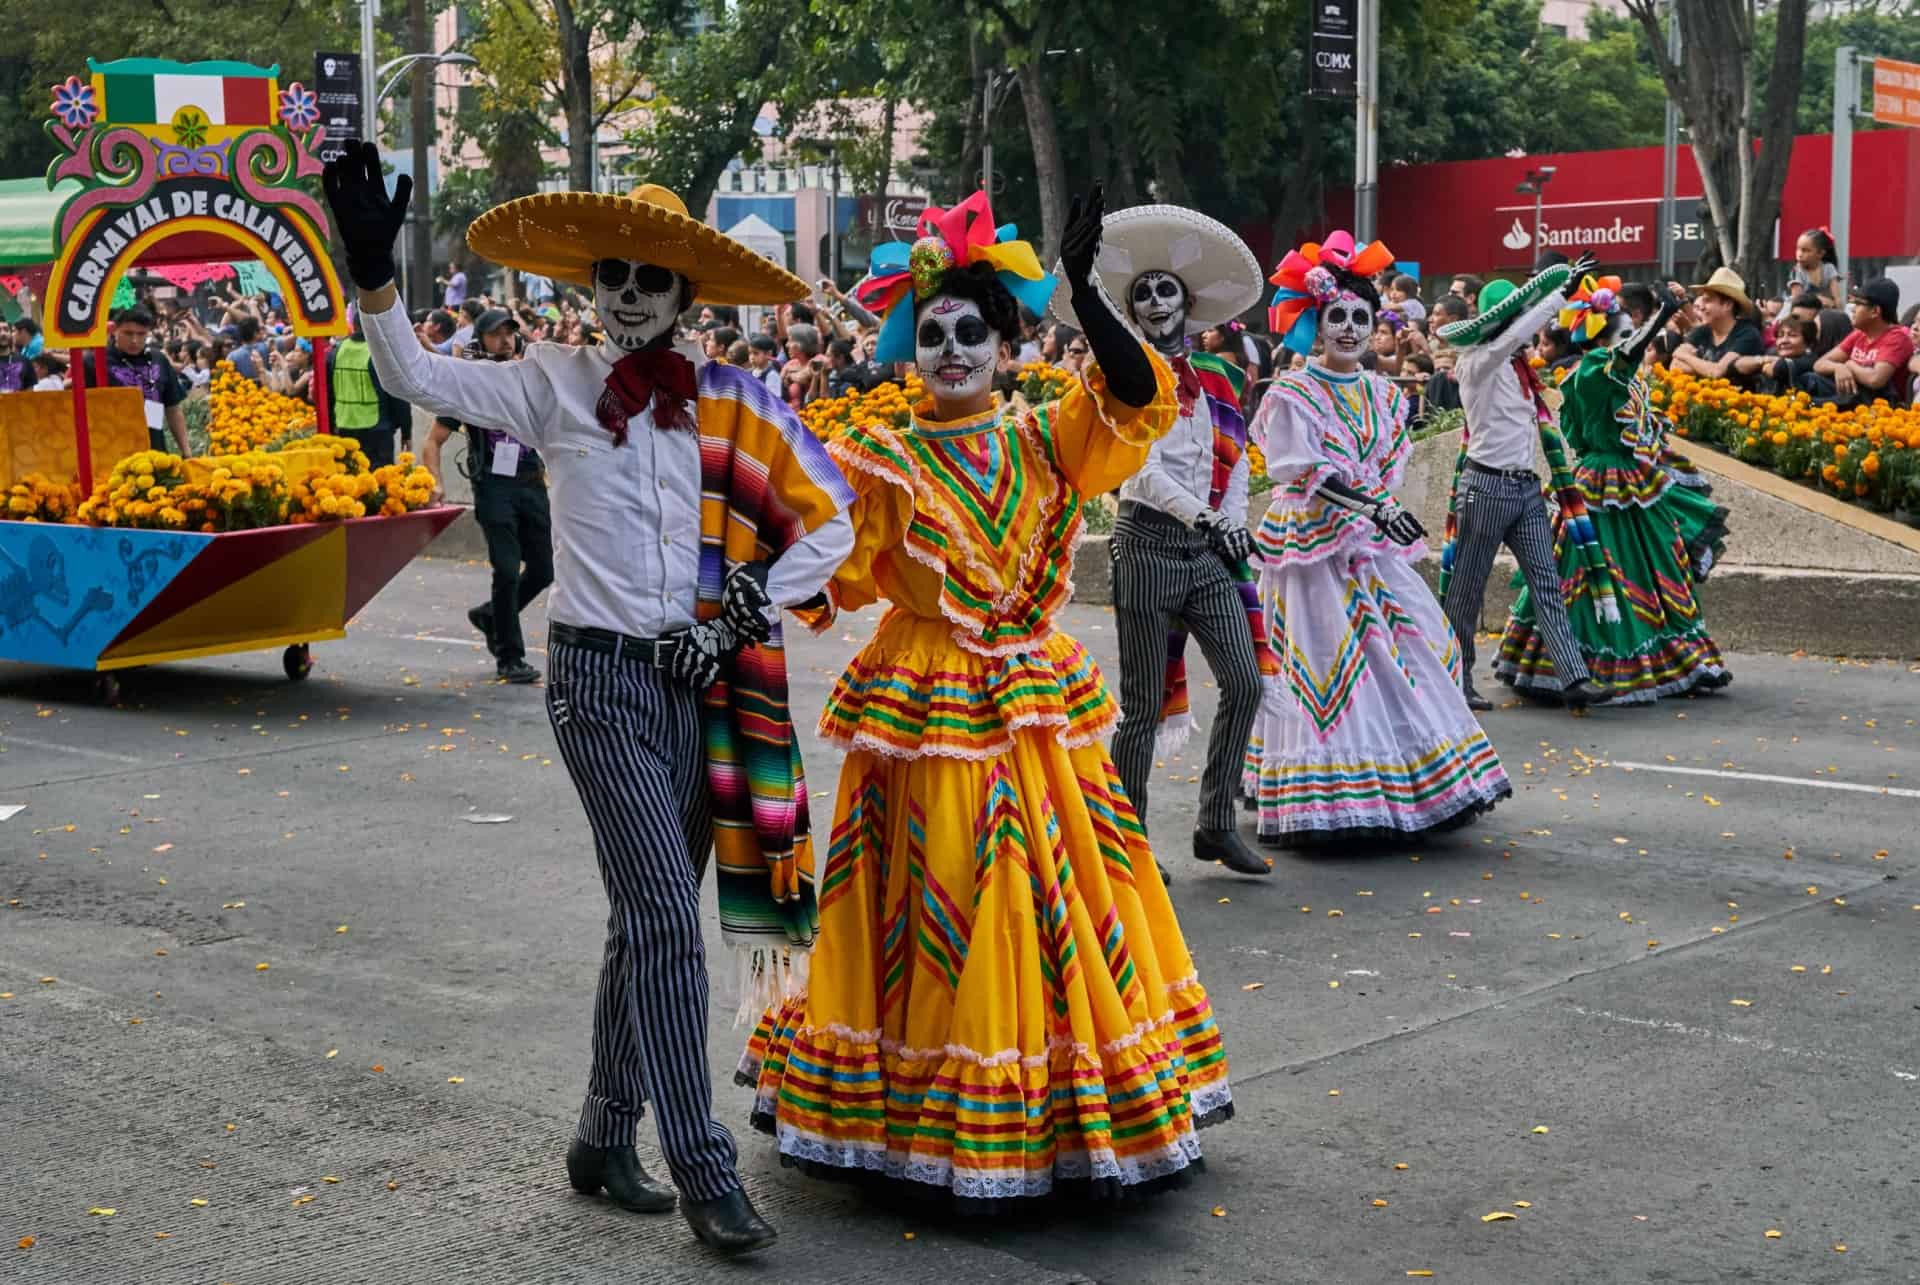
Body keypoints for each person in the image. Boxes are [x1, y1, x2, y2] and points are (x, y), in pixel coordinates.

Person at [323, 140, 855, 1257]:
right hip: (596, 681)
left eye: (649, 279)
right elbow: (419, 377)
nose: (625, 294)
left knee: (640, 918)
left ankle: (602, 1135)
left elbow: (837, 516)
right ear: (591, 285)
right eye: (611, 274)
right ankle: (702, 1165)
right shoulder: (555, 382)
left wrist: (755, 596)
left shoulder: (736, 402)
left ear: (685, 294)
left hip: (692, 682)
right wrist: (373, 273)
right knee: (666, 913)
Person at [739, 187, 1235, 1208]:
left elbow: (1139, 397)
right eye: (934, 335)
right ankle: (926, 1108)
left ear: (1008, 345)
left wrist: (1090, 299)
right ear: (908, 348)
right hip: (922, 704)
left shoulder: (1046, 438)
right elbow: (818, 556)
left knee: (1046, 890)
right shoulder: (881, 461)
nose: (953, 349)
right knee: (949, 888)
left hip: (1033, 702)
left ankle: (1047, 1105)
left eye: (974, 332)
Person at [1248, 230, 1510, 846]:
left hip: (1369, 545)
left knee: (1413, 646)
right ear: (1315, 322)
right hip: (1309, 551)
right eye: (1334, 315)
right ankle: (1329, 795)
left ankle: (1412, 782)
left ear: (1373, 325)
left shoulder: (1385, 395)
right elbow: (1302, 471)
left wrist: (1379, 511)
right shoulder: (1291, 392)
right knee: (1326, 662)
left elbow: (1389, 469)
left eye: (1358, 317)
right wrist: (1371, 506)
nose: (1346, 327)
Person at [1059, 204, 1274, 883]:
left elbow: (1236, 457)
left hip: (1207, 552)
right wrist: (1203, 517)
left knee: (1244, 681)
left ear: (1187, 301)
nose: (1156, 300)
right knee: (1144, 705)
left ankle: (1216, 824)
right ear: (1132, 309)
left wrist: (1228, 519)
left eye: (1166, 289)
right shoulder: (1119, 378)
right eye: (1143, 292)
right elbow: (1136, 471)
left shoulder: (1215, 377)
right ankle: (1130, 839)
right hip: (1148, 544)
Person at [1495, 278, 1731, 702]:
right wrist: (1662, 313)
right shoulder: (1592, 372)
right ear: (1602, 338)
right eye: (1623, 332)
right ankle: (1588, 664)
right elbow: (1625, 359)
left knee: (1653, 566)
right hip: (1606, 484)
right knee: (1598, 572)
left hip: (1630, 479)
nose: (1631, 340)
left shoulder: (1603, 374)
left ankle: (1679, 660)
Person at [1434, 258, 1614, 710]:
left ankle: (1574, 679)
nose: (1527, 330)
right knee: (1467, 591)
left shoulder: (1517, 367)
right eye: (1518, 319)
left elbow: (1516, 339)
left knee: (1546, 582)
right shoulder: (1478, 361)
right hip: (1487, 488)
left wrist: (1556, 298)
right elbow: (1513, 336)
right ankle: (1455, 682)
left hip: (1524, 489)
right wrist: (1558, 295)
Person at [419, 309, 552, 684]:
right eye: (497, 334)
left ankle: (492, 615)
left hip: (530, 482)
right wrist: (436, 483)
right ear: (480, 340)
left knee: (544, 570)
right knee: (508, 570)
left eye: (510, 332)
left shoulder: (527, 379)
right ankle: (510, 656)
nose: (506, 339)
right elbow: (433, 441)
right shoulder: (469, 384)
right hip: (494, 485)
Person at [329, 308, 415, 472]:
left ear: (353, 326)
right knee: (379, 484)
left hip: (344, 429)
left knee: (349, 481)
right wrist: (406, 432)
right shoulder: (382, 354)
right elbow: (399, 397)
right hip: (377, 432)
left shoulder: (336, 353)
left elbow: (329, 395)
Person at [1810, 278, 1914, 408]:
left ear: (1875, 311)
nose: (1852, 309)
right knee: (1809, 379)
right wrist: (1838, 367)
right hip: (1856, 401)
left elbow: (1875, 380)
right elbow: (1819, 364)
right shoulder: (1860, 333)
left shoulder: (1897, 337)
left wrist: (1849, 365)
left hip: (1884, 411)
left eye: (1858, 304)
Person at [105, 307, 190, 454]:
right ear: (114, 330)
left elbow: (173, 409)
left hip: (155, 451)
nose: (134, 340)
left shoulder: (158, 359)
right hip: (113, 452)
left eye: (141, 334)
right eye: (128, 333)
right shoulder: (97, 362)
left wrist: (186, 452)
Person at [1670, 268, 1764, 389]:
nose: (1701, 307)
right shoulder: (1702, 331)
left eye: (1707, 300)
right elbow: (1675, 366)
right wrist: (1708, 369)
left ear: (1727, 305)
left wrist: (1686, 357)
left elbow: (1716, 372)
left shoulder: (1747, 333)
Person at [1785, 228, 1842, 310]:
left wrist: (1838, 309)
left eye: (1806, 250)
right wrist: (1820, 299)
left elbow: (1837, 298)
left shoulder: (1829, 268)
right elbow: (1798, 300)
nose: (1799, 254)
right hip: (1800, 311)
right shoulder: (1797, 271)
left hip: (1825, 311)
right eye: (1798, 249)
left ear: (1820, 253)